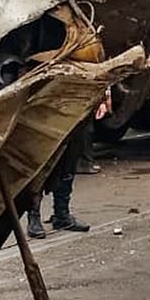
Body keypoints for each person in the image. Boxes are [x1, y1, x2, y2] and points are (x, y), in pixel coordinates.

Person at [26, 90, 109, 238]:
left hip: (78, 103)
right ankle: (34, 215)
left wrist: (102, 98)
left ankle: (61, 214)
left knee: (70, 158)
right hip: (45, 101)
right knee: (40, 162)